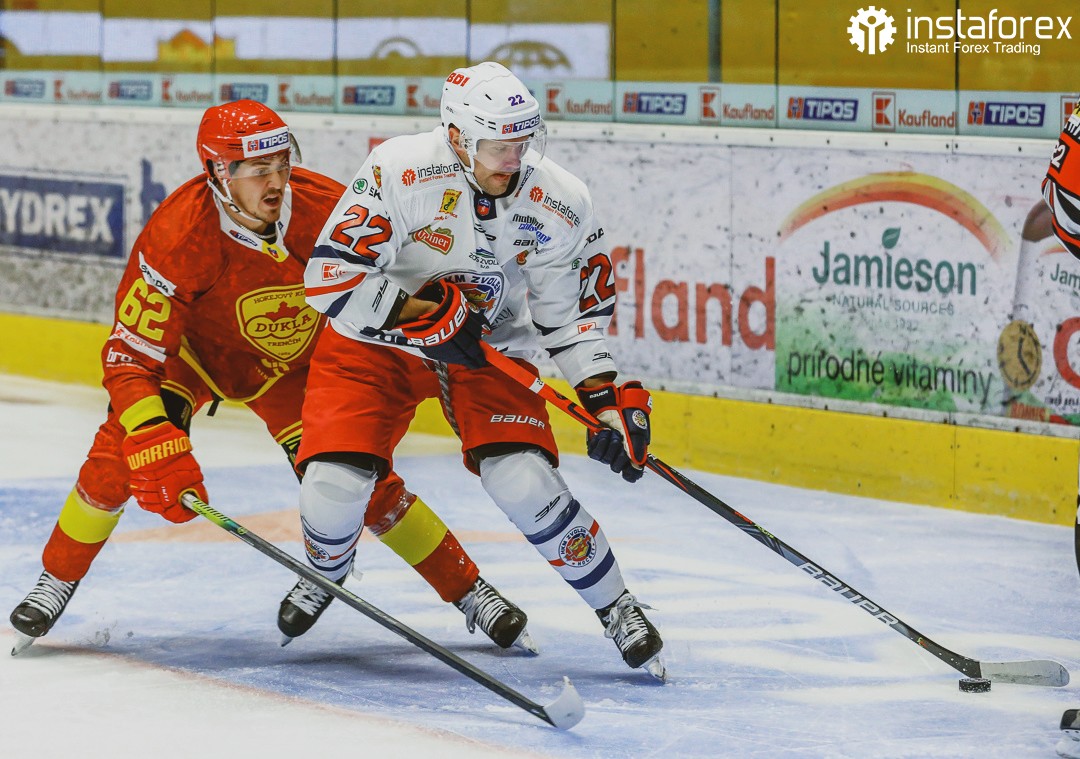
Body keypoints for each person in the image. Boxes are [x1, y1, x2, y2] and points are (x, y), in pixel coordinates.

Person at [8, 100, 533, 656]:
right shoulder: (180, 233)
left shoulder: (328, 209)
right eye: (260, 170)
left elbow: (397, 277)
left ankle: (469, 591)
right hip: (193, 359)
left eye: (282, 164)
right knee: (118, 455)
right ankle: (56, 579)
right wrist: (151, 434)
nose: (277, 181)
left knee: (356, 479)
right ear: (218, 172)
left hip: (295, 368)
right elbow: (129, 356)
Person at [285, 61, 665, 679]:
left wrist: (605, 402)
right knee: (333, 489)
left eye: (523, 143)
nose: (512, 160)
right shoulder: (399, 168)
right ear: (458, 136)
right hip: (377, 344)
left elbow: (570, 319)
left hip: (487, 346)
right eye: (497, 147)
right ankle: (326, 569)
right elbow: (328, 279)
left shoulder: (560, 199)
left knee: (523, 481)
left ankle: (616, 604)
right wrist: (421, 315)